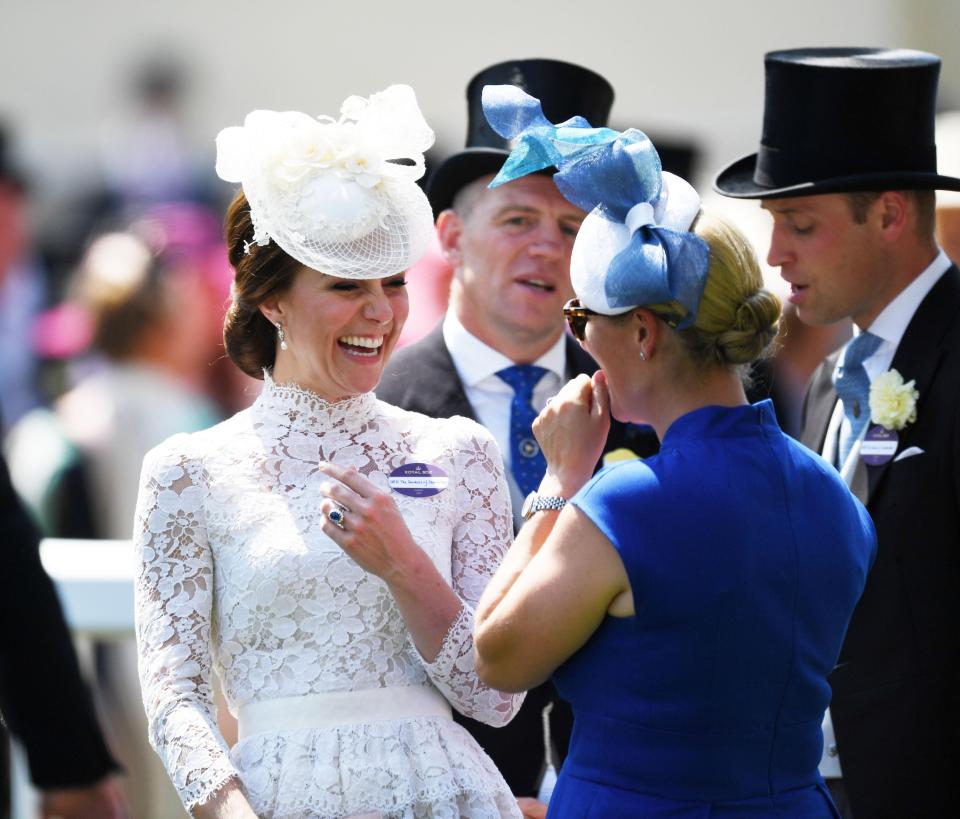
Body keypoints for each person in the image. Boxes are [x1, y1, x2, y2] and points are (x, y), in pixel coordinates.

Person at [472, 86, 877, 818]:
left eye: (582, 316)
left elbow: (496, 657)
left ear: (643, 333)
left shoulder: (624, 504)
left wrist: (560, 480)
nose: (578, 338)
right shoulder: (833, 496)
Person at [133, 85, 524, 819]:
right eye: (345, 285)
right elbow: (173, 697)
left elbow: (497, 696)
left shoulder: (456, 451)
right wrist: (230, 811)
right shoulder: (188, 471)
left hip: (444, 794)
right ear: (272, 301)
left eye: (394, 283)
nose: (379, 311)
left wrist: (405, 564)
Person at [377, 59, 658, 813]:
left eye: (572, 227)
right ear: (450, 234)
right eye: (517, 220)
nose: (547, 247)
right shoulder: (380, 406)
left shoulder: (644, 400)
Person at [713, 48, 960, 818]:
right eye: (774, 224)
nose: (776, 253)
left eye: (801, 224)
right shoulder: (826, 379)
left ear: (889, 214)